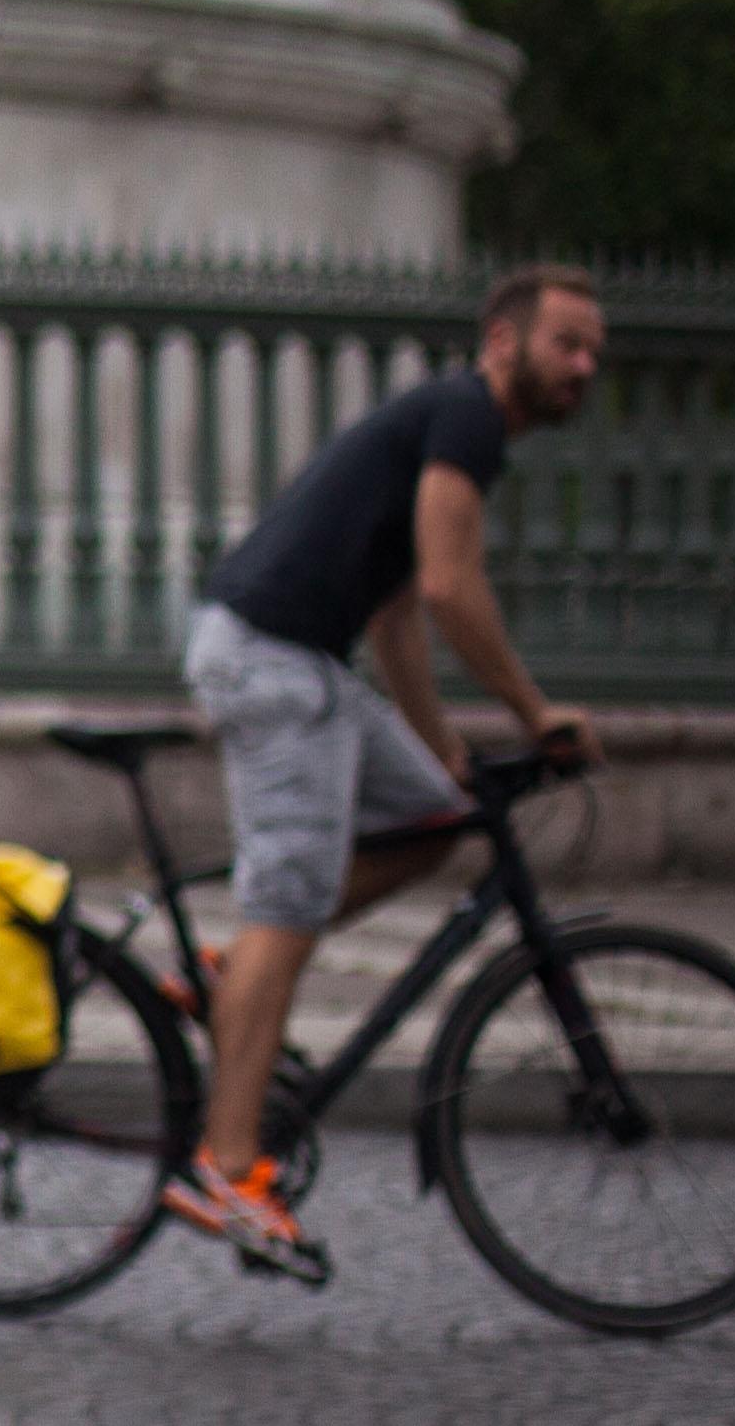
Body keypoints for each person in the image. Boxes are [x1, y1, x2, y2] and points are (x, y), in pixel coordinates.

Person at [168, 264, 611, 1277]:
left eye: (593, 352)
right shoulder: (468, 416)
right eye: (566, 344)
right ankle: (225, 1168)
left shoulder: (450, 422)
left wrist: (444, 752)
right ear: (502, 342)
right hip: (274, 662)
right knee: (285, 906)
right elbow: (454, 587)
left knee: (433, 815)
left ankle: (233, 983)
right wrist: (534, 713)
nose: (584, 367)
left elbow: (398, 611)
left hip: (296, 656)